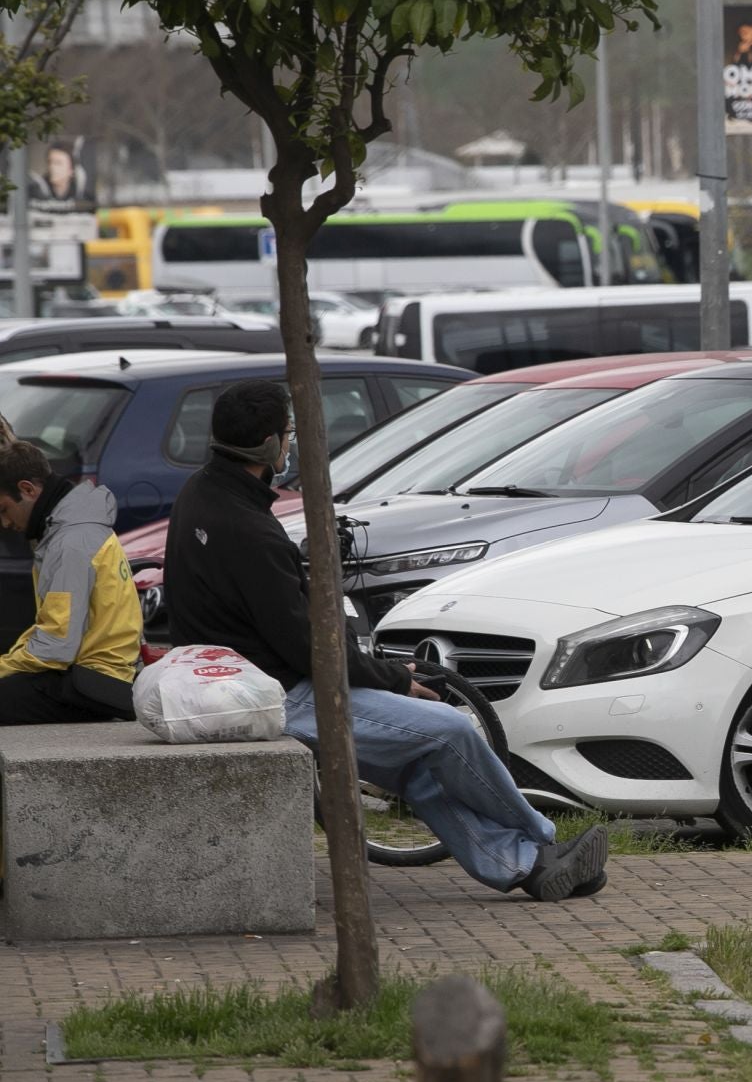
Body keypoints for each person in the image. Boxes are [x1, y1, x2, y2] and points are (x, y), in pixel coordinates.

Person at [164, 381, 608, 901]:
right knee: (449, 730)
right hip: (276, 696)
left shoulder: (200, 493)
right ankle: (542, 839)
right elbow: (307, 649)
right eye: (286, 434)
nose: (290, 445)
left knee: (419, 763)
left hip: (225, 681)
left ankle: (526, 867)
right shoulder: (252, 532)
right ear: (268, 447)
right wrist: (395, 679)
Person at [0, 440, 140, 725]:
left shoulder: (71, 543)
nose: (4, 523)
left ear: (27, 490)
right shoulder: (76, 527)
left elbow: (55, 647)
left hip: (93, 683)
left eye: (3, 509)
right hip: (100, 674)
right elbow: (52, 628)